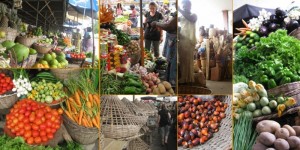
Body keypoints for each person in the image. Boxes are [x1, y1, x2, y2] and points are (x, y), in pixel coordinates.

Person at [151, 5, 177, 86]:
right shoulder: (175, 14)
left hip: (175, 40)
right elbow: (168, 24)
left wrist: (156, 23)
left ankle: (172, 81)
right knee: (170, 60)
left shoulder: (179, 14)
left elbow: (169, 26)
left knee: (173, 61)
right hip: (171, 39)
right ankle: (168, 79)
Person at [178, 0, 197, 84]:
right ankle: (184, 78)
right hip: (182, 39)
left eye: (186, 5)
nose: (184, 7)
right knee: (182, 60)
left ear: (190, 6)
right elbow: (174, 21)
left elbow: (190, 19)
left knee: (188, 59)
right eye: (183, 6)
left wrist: (179, 10)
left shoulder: (193, 15)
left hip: (189, 40)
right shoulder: (181, 16)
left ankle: (189, 79)